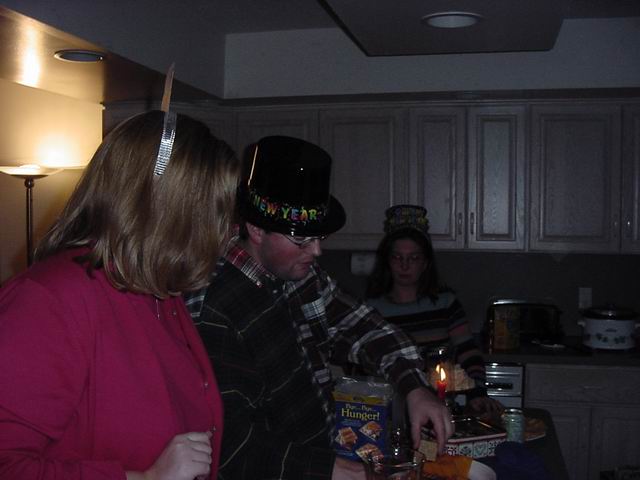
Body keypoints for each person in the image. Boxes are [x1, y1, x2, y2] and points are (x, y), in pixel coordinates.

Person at [185, 136, 453, 480]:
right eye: (301, 240)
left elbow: (365, 329)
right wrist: (336, 471)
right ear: (256, 229)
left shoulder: (300, 277)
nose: (316, 251)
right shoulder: (215, 306)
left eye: (319, 238)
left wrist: (415, 388)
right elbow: (234, 442)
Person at [0, 110, 240, 480]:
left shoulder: (156, 291)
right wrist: (142, 478)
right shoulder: (48, 301)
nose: (228, 231)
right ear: (167, 213)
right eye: (216, 212)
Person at [365, 204, 502, 414]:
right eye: (397, 257)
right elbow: (363, 364)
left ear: (425, 263)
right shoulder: (371, 310)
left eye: (414, 258)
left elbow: (468, 352)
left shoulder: (446, 303)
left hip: (440, 406)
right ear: (387, 262)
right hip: (391, 409)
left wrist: (478, 393)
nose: (404, 265)